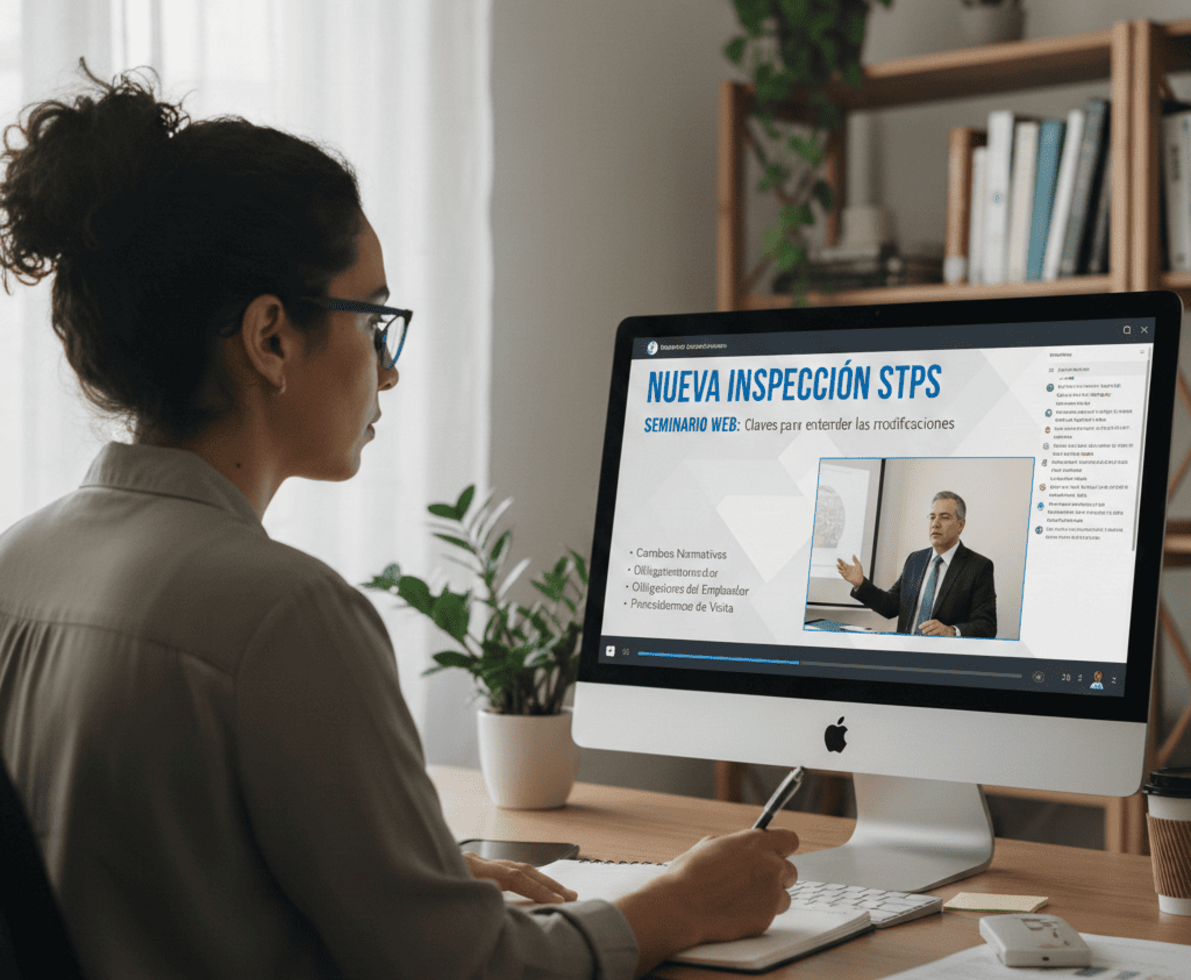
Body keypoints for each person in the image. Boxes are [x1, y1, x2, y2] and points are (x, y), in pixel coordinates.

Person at [0, 66, 798, 980]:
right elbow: (473, 972)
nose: (389, 370)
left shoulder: (16, 564)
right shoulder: (283, 616)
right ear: (270, 339)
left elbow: (141, 878)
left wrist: (401, 878)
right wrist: (681, 903)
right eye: (373, 319)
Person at [835, 491, 997, 639]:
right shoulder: (915, 560)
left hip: (943, 656)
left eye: (945, 517)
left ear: (960, 525)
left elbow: (987, 626)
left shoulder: (978, 567)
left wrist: (952, 631)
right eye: (932, 517)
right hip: (905, 652)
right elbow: (891, 606)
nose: (935, 524)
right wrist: (861, 584)